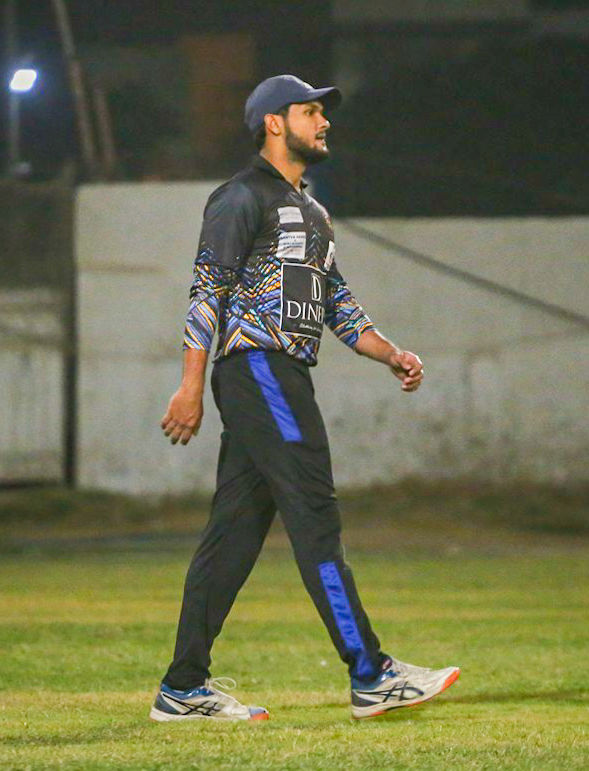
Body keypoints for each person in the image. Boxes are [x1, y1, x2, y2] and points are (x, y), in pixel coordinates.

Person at [151, 75, 458, 722]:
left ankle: (182, 687)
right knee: (315, 514)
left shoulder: (313, 212)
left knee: (234, 534)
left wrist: (391, 353)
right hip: (260, 370)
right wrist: (189, 384)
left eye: (323, 113)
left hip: (279, 376)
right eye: (309, 111)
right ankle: (370, 673)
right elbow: (208, 291)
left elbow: (337, 303)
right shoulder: (239, 197)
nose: (324, 122)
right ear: (273, 123)